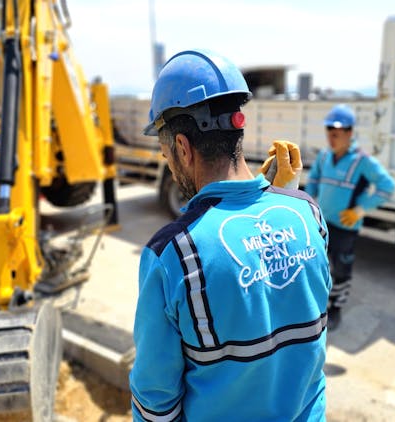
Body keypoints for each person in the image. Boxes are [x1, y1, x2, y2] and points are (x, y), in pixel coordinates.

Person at [129, 49, 331, 421]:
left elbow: (156, 398)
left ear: (183, 148)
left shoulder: (173, 254)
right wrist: (287, 197)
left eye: (165, 153)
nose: (169, 165)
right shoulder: (309, 213)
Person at [305, 104, 395, 331]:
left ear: (349, 133)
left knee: (341, 269)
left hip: (346, 226)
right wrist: (308, 202)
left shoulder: (362, 161)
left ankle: (336, 308)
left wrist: (360, 210)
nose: (332, 138)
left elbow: (388, 186)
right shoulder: (324, 156)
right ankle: (317, 304)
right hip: (322, 223)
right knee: (318, 264)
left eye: (337, 133)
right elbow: (313, 179)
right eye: (329, 132)